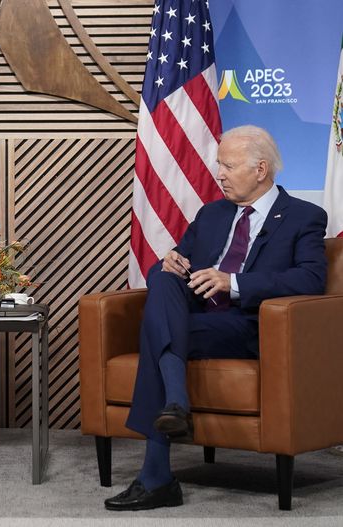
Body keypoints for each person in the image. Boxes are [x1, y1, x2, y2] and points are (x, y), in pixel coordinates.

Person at [105, 125, 327, 511]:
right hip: (195, 317)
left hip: (248, 324)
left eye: (228, 165)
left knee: (157, 331)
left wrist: (234, 282)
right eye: (218, 165)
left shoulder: (303, 216)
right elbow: (176, 268)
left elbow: (311, 277)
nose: (219, 174)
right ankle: (175, 405)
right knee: (162, 280)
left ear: (260, 170)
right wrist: (167, 262)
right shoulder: (211, 214)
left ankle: (158, 474)